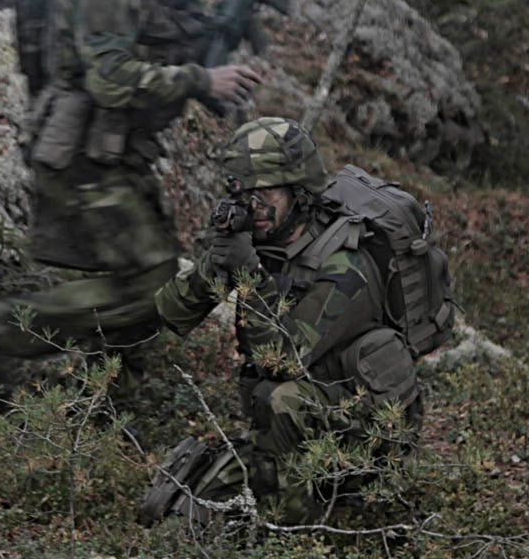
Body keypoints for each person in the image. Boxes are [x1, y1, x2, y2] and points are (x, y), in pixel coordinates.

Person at [0, 0, 262, 395]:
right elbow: (111, 81)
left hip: (114, 152)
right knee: (152, 284)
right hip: (80, 156)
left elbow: (185, 38)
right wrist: (200, 80)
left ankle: (109, 396)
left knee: (147, 275)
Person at [144, 117, 422, 524]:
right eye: (243, 192)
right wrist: (218, 262)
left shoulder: (345, 264)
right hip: (305, 417)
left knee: (280, 396)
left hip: (372, 430)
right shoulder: (267, 240)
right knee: (177, 507)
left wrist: (250, 277)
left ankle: (293, 528)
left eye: (266, 192)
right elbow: (172, 311)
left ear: (299, 191)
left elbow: (282, 359)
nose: (253, 205)